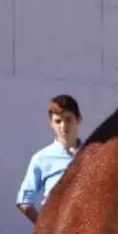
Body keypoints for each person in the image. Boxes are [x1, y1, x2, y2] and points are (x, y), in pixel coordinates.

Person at [16, 94, 82, 225]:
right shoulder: (42, 158)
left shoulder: (91, 154)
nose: (63, 126)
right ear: (51, 123)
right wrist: (45, 229)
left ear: (78, 119)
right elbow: (24, 201)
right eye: (58, 121)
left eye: (68, 119)